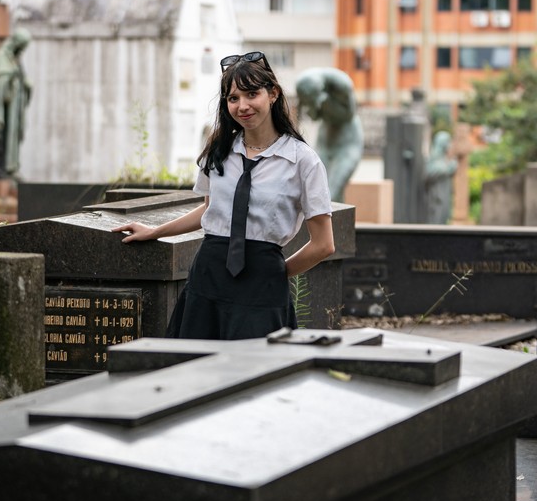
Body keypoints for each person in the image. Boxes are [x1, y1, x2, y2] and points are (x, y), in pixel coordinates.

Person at [112, 51, 335, 340]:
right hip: (209, 275)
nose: (242, 105)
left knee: (256, 374)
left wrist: (275, 274)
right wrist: (155, 232)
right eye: (233, 98)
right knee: (195, 370)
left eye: (251, 94)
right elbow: (210, 211)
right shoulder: (219, 151)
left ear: (273, 94)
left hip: (263, 284)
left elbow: (324, 244)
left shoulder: (303, 160)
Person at [295, 67, 364, 202]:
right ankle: (339, 221)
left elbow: (348, 115)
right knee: (316, 188)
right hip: (326, 138)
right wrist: (315, 108)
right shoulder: (304, 86)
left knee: (333, 189)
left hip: (347, 140)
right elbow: (313, 116)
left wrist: (325, 103)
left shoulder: (342, 84)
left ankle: (339, 221)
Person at [0, 28, 31, 178]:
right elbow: (0, 78)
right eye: (21, 47)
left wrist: (26, 84)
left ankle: (11, 167)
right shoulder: (2, 55)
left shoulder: (15, 58)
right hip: (5, 107)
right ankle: (0, 168)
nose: (22, 51)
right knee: (2, 135)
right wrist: (12, 76)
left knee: (13, 136)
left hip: (15, 106)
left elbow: (21, 76)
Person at [425, 130, 458, 224]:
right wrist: (448, 168)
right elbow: (430, 172)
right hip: (437, 196)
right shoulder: (434, 157)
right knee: (437, 218)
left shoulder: (445, 159)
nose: (450, 145)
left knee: (444, 217)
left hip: (445, 195)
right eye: (448, 142)